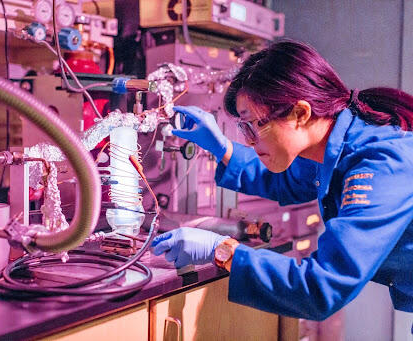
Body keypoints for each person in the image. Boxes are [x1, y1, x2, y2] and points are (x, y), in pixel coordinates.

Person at [151, 40, 413, 321]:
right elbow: (289, 180)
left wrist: (222, 250)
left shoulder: (380, 163)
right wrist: (221, 148)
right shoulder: (335, 142)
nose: (249, 142)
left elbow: (321, 287)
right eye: (244, 128)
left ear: (300, 113)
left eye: (254, 125)